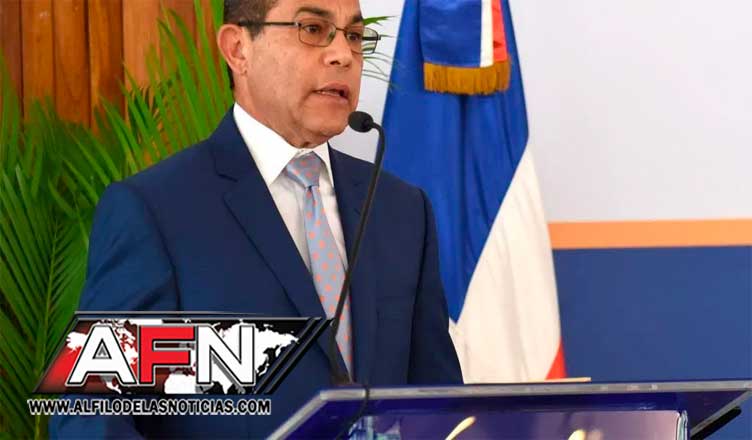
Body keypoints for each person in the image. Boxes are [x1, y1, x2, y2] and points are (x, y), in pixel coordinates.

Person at [50, 0, 462, 437]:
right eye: (313, 28)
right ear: (238, 49)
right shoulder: (155, 210)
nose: (343, 54)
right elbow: (89, 416)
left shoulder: (401, 209)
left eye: (355, 36)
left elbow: (438, 403)